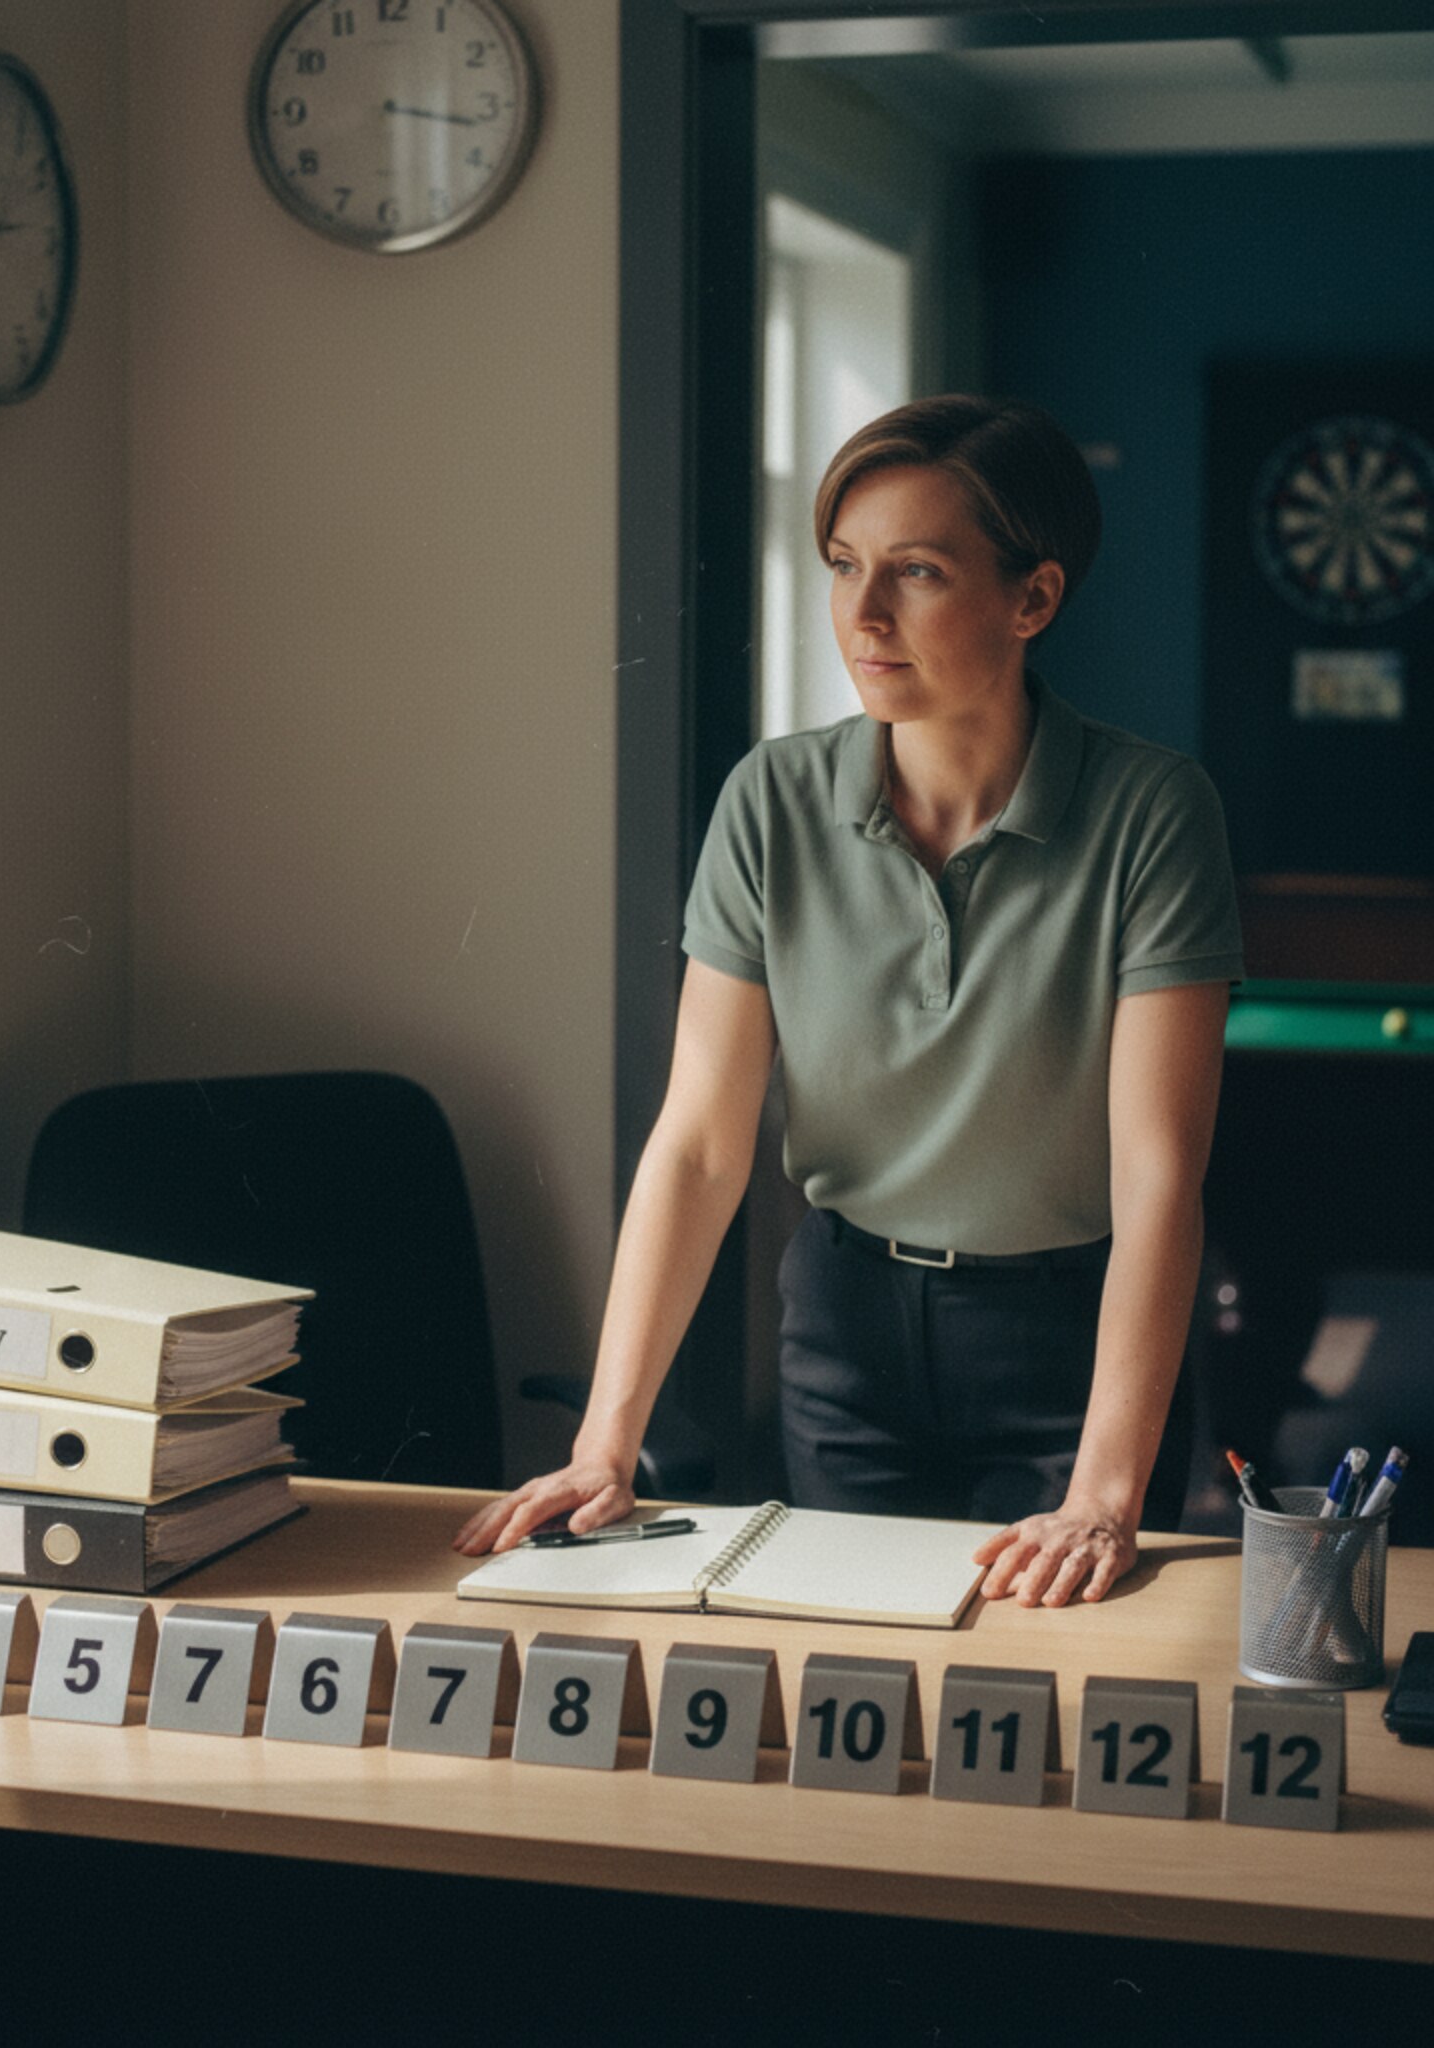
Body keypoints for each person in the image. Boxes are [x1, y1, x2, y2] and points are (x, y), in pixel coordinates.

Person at [455, 395, 1243, 1608]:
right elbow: (699, 1143)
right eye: (841, 564)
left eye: (914, 570)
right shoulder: (768, 801)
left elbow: (1156, 1174)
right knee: (854, 1676)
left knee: (1046, 1684)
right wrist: (604, 1441)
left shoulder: (1152, 812)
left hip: (1065, 1341)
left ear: (1031, 598)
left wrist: (1100, 1488)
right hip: (843, 1330)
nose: (862, 613)